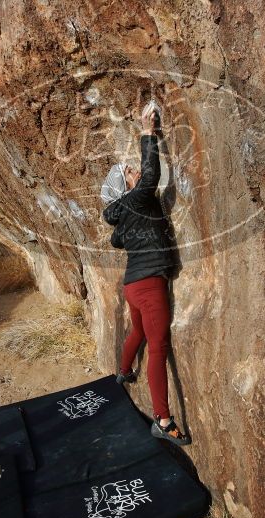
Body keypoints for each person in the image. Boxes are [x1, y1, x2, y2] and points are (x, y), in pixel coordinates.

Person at [102, 104, 191, 446]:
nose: (134, 172)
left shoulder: (124, 212)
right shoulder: (136, 200)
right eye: (128, 172)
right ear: (125, 187)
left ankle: (123, 372)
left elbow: (116, 238)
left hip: (134, 287)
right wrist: (147, 132)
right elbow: (153, 175)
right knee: (158, 348)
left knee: (138, 330)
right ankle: (163, 420)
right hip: (151, 285)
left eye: (131, 168)